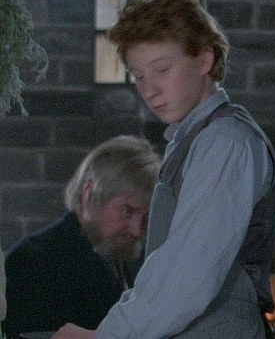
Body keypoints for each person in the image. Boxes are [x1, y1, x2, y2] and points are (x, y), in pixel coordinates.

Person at [53, 0, 275, 339]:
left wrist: (107, 336)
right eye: (139, 75)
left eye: (162, 69)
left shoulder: (225, 143)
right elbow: (164, 271)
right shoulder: (193, 141)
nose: (150, 90)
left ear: (204, 60)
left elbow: (189, 273)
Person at [3, 135, 159, 338]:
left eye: (147, 216)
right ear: (89, 194)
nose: (137, 230)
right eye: (127, 211)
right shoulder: (31, 262)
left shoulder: (135, 258)